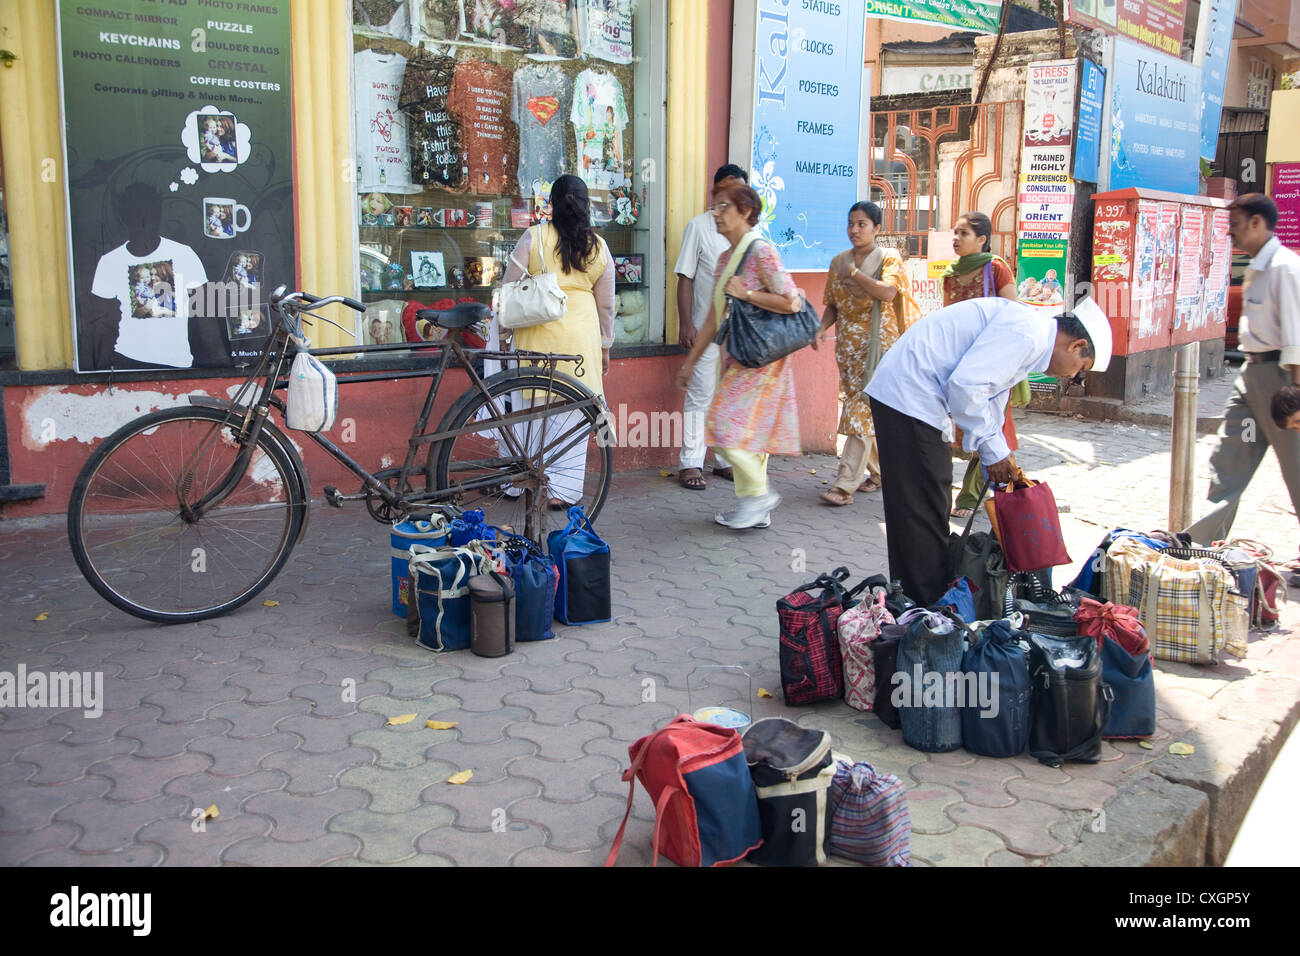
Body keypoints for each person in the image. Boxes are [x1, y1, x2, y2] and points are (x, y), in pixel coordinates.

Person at [865, 296, 1112, 605]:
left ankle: (917, 603)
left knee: (924, 505)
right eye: (1081, 367)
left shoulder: (1030, 335)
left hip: (915, 399)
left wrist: (998, 456)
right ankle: (925, 609)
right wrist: (993, 451)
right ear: (1075, 346)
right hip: (910, 396)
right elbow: (967, 387)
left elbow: (990, 397)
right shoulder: (1028, 333)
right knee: (923, 507)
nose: (1073, 376)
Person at [673, 177, 805, 530]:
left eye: (724, 206)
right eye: (714, 206)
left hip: (762, 361)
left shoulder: (760, 251)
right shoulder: (725, 258)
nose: (716, 213)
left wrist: (747, 295)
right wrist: (690, 362)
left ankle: (759, 496)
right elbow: (714, 317)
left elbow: (791, 301)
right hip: (737, 357)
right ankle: (755, 508)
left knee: (720, 423)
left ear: (746, 211)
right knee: (749, 433)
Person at [1184, 193, 1300, 550]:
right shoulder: (1256, 267)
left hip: (1282, 378)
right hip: (1252, 374)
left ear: (1257, 223)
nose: (1230, 235)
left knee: (1296, 468)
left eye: (1235, 227)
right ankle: (1204, 544)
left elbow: (1296, 335)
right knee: (1229, 457)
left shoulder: (1285, 268)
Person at [502, 173, 615, 509]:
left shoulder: (533, 237)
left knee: (531, 410)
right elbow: (606, 305)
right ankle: (561, 492)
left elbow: (509, 289)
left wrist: (505, 333)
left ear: (550, 203)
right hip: (580, 339)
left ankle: (522, 479)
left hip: (536, 336)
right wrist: (605, 346)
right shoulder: (598, 247)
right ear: (585, 205)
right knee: (570, 414)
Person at [816, 200, 918, 506]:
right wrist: (821, 329)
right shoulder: (838, 261)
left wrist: (857, 274)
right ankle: (881, 472)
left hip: (878, 348)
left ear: (877, 228)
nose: (855, 230)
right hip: (848, 348)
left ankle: (844, 484)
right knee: (864, 408)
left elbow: (887, 292)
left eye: (862, 224)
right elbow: (833, 303)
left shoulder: (889, 258)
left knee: (860, 409)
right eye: (851, 223)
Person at [674, 163, 748, 491]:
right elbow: (685, 277)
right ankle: (691, 462)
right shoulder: (700, 227)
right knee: (700, 395)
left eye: (739, 190)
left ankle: (724, 461)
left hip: (740, 334)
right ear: (713, 192)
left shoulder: (752, 234)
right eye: (726, 190)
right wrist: (686, 322)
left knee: (730, 396)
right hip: (707, 329)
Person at [942, 211, 1019, 519]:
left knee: (989, 422)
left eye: (964, 233)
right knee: (954, 424)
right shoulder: (950, 273)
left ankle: (971, 495)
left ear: (982, 239)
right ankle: (1009, 484)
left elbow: (1013, 312)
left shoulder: (996, 268)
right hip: (958, 357)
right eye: (955, 232)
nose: (956, 238)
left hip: (991, 358)